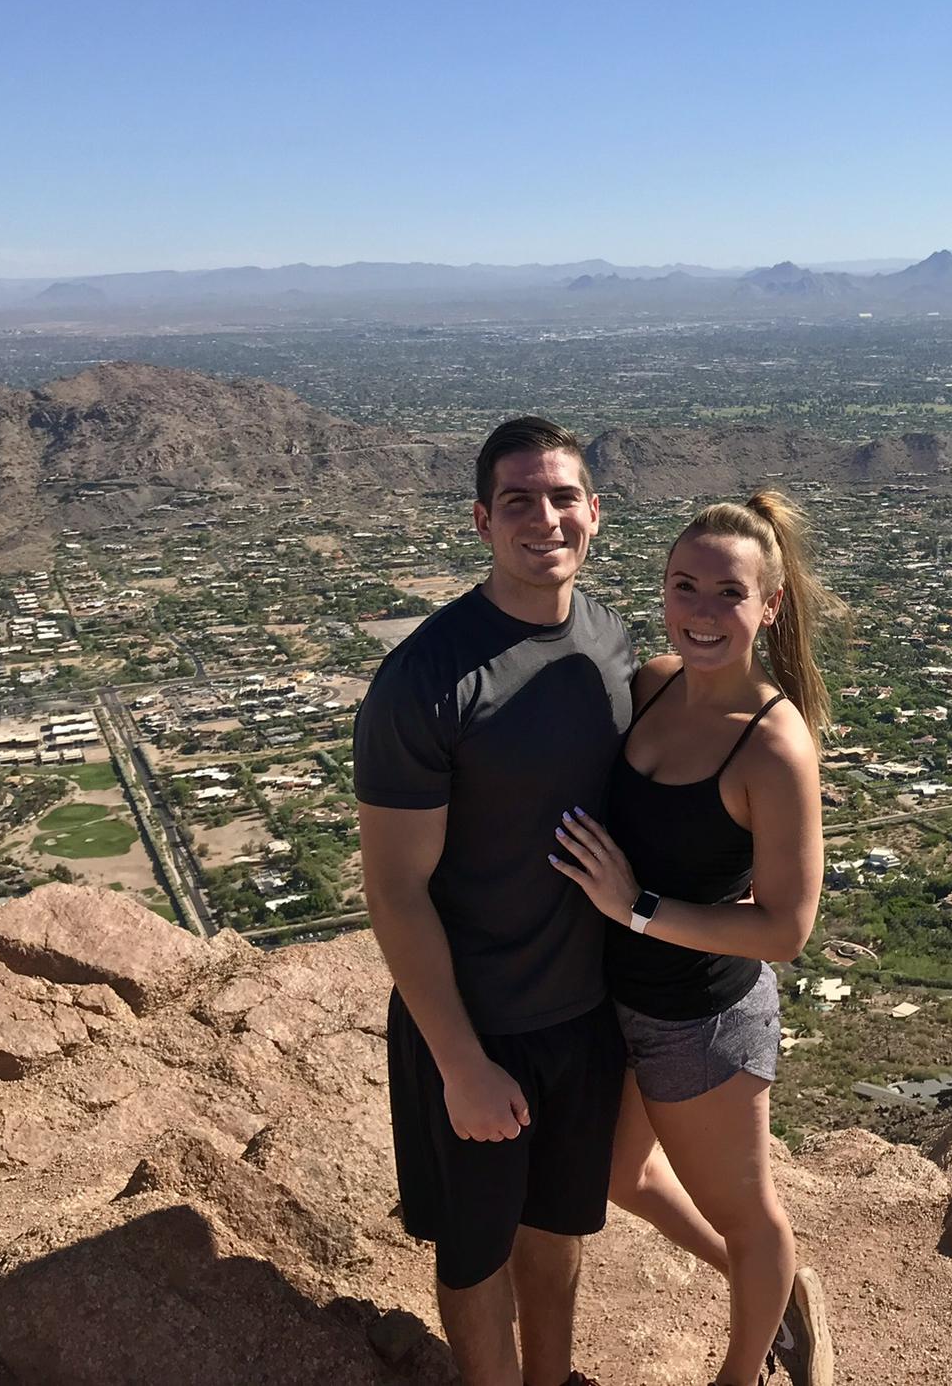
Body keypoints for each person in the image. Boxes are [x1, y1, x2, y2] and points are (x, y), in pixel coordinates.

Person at [356, 416, 658, 1386]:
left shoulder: (610, 643)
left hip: (582, 1016)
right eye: (517, 501)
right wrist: (460, 1064)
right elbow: (395, 890)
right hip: (477, 1024)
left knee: (557, 1230)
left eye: (562, 497)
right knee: (475, 1251)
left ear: (595, 514)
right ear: (482, 521)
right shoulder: (425, 681)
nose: (544, 518)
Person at [548, 490, 840, 1386]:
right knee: (615, 1176)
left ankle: (744, 1369)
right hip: (620, 999)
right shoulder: (653, 686)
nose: (702, 614)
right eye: (685, 588)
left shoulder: (773, 745)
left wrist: (637, 909)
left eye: (728, 594)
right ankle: (777, 1289)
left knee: (749, 1215)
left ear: (771, 605)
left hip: (700, 1018)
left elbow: (787, 930)